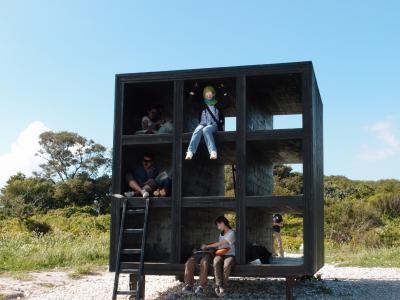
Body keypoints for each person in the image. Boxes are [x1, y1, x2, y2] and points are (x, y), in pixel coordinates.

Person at [182, 216, 235, 298]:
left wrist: (207, 246)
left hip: (229, 254)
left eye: (218, 225)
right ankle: (217, 285)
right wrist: (209, 248)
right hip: (220, 254)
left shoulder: (232, 233)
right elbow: (219, 245)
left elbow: (220, 243)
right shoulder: (221, 233)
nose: (218, 227)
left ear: (223, 223)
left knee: (226, 265)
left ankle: (221, 286)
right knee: (215, 262)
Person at [185, 86, 224, 160]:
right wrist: (193, 88)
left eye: (210, 93)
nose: (209, 95)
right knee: (197, 130)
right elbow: (190, 102)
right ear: (204, 95)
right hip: (203, 123)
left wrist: (222, 88)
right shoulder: (202, 104)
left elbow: (226, 101)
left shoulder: (218, 104)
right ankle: (190, 151)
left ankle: (213, 151)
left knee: (206, 130)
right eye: (207, 94)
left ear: (213, 94)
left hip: (213, 124)